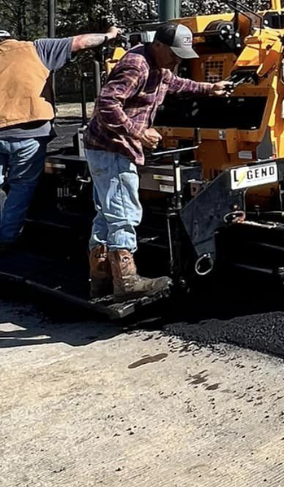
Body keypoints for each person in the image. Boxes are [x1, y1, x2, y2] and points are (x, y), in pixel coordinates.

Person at [83, 23, 232, 301]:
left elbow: (175, 84)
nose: (177, 60)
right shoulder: (136, 65)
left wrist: (209, 88)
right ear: (159, 45)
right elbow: (106, 104)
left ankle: (101, 278)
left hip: (107, 147)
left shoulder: (161, 67)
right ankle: (126, 281)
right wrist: (138, 131)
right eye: (174, 53)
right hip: (111, 147)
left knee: (107, 212)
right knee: (124, 212)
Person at [0, 24, 120, 248]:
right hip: (30, 133)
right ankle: (6, 239)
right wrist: (109, 35)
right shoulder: (36, 48)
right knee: (21, 186)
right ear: (12, 39)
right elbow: (82, 41)